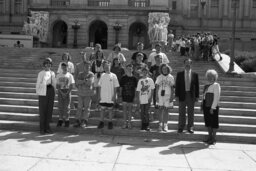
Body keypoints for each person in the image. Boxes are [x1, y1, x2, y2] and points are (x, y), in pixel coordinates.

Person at [175, 58, 199, 134]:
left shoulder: (195, 74)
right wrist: (176, 95)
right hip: (182, 94)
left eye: (189, 63)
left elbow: (197, 86)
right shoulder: (179, 74)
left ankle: (190, 127)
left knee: (190, 112)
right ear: (184, 64)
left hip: (191, 95)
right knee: (181, 112)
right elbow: (177, 85)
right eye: (186, 63)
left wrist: (197, 96)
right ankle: (181, 127)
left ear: (191, 64)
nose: (187, 64)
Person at [36, 57, 56, 134]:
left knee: (49, 110)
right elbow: (38, 84)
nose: (48, 65)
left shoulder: (52, 73)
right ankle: (42, 128)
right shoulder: (41, 73)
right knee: (43, 111)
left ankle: (47, 127)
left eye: (49, 63)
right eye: (46, 63)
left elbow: (54, 83)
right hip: (43, 91)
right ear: (44, 64)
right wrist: (45, 83)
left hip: (51, 91)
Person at [97, 61, 119, 129]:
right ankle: (101, 122)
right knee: (102, 109)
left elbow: (116, 87)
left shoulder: (114, 75)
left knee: (110, 110)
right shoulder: (102, 75)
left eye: (108, 66)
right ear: (103, 67)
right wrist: (99, 96)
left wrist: (114, 96)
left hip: (110, 96)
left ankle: (110, 122)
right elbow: (100, 86)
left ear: (110, 66)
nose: (107, 68)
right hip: (103, 96)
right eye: (105, 67)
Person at [73, 61, 94, 128]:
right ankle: (77, 120)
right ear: (84, 67)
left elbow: (89, 83)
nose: (87, 67)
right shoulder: (80, 74)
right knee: (79, 107)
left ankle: (84, 120)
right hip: (80, 93)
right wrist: (84, 81)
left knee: (87, 108)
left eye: (89, 66)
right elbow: (77, 82)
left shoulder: (91, 74)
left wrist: (82, 82)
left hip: (88, 94)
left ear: (90, 67)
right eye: (86, 66)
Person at [202, 69, 221, 145]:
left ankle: (214, 139)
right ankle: (209, 137)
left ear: (215, 77)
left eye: (211, 76)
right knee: (208, 122)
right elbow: (204, 97)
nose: (210, 78)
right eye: (208, 76)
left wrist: (212, 108)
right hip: (206, 106)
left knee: (214, 123)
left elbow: (216, 97)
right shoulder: (206, 85)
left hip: (213, 107)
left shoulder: (216, 85)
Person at [155, 64, 175, 132]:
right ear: (161, 69)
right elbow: (157, 87)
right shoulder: (159, 77)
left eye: (166, 69)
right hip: (160, 95)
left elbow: (172, 88)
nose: (164, 70)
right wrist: (156, 96)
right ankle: (160, 124)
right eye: (163, 69)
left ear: (168, 69)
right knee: (160, 110)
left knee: (166, 110)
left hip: (168, 95)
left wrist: (172, 96)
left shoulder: (171, 77)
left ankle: (166, 124)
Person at [56, 62, 75, 127]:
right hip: (60, 91)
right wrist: (61, 92)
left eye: (65, 67)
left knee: (67, 107)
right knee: (60, 106)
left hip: (67, 91)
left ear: (67, 67)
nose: (64, 68)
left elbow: (72, 85)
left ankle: (67, 119)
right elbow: (57, 85)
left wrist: (67, 93)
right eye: (63, 67)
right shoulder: (58, 75)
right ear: (61, 67)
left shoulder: (70, 75)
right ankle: (60, 119)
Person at [136, 67, 155, 131]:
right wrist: (138, 99)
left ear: (147, 72)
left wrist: (151, 98)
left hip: (148, 99)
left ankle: (147, 125)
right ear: (142, 73)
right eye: (143, 72)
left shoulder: (150, 80)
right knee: (142, 112)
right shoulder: (140, 80)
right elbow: (138, 90)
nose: (144, 73)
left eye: (146, 72)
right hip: (142, 99)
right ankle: (143, 124)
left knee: (147, 112)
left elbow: (152, 90)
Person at [119, 63, 138, 129]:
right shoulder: (123, 78)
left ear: (132, 69)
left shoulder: (135, 78)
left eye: (131, 69)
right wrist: (120, 96)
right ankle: (125, 123)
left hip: (131, 96)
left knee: (130, 110)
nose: (129, 70)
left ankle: (129, 123)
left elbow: (136, 89)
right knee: (124, 110)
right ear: (126, 69)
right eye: (128, 69)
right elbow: (121, 88)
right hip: (124, 96)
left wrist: (135, 96)